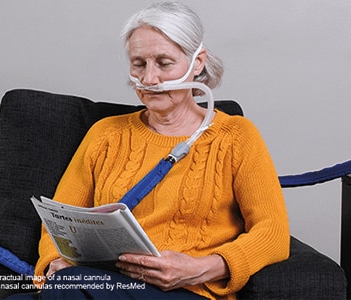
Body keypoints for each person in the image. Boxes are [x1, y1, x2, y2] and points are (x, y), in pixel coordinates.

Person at [32, 2, 289, 299]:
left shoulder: (235, 137)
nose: (149, 80)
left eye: (164, 64)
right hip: (97, 283)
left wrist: (202, 267)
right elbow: (58, 223)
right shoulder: (105, 134)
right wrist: (55, 263)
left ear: (197, 62)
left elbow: (273, 233)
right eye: (138, 64)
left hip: (186, 291)